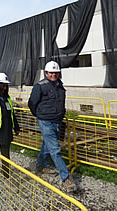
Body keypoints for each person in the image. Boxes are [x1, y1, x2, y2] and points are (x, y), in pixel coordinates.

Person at [28, 61, 76, 191]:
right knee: (55, 149)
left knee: (47, 145)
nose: (53, 75)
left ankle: (40, 165)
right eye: (51, 72)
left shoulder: (60, 86)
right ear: (46, 73)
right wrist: (39, 115)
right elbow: (32, 103)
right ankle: (66, 178)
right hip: (45, 121)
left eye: (55, 73)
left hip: (57, 121)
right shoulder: (40, 86)